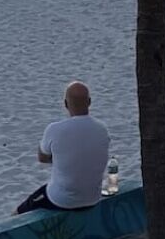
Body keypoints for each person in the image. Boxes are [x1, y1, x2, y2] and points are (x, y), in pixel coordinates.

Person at [15, 81, 110, 214]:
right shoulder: (102, 129)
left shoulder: (55, 129)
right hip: (93, 197)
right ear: (89, 102)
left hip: (62, 200)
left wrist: (61, 157)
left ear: (65, 104)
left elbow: (42, 158)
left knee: (19, 212)